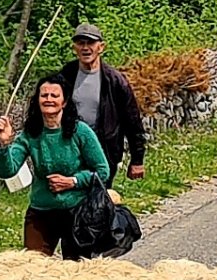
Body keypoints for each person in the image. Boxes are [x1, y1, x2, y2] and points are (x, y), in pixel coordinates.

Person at [0, 77, 108, 256]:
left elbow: (102, 171)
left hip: (78, 211)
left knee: (77, 267)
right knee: (33, 264)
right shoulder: (30, 134)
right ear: (37, 100)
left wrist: (73, 181)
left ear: (64, 102)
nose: (48, 99)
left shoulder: (80, 131)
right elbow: (6, 171)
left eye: (54, 95)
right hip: (41, 212)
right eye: (44, 95)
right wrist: (4, 145)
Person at [40, 21, 144, 182]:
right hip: (70, 148)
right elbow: (48, 108)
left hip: (104, 151)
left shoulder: (115, 81)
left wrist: (137, 160)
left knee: (99, 194)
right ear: (74, 48)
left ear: (101, 47)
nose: (85, 48)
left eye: (90, 43)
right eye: (80, 43)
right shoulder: (65, 76)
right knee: (70, 192)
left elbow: (132, 121)